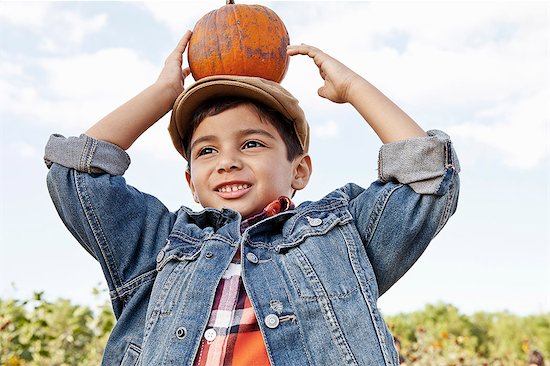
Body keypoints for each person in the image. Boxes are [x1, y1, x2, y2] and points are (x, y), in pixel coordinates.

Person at [44, 30, 460, 366]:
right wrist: (161, 94)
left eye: (252, 144)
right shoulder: (160, 243)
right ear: (191, 180)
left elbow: (425, 177)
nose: (227, 161)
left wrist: (352, 87)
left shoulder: (340, 236)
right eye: (207, 150)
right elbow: (76, 172)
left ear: (299, 170)